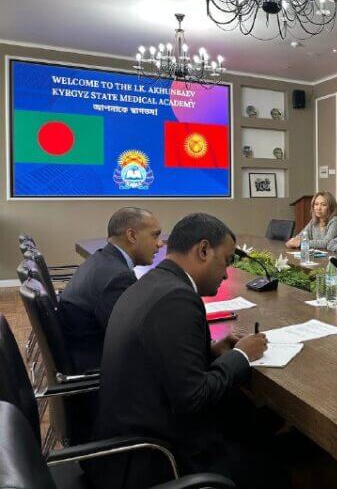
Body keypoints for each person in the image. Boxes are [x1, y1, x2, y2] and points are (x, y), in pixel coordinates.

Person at [91, 213, 274, 488]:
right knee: (272, 466)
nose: (226, 274)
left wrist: (212, 352)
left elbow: (163, 361)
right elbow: (194, 398)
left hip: (128, 441)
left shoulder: (154, 283)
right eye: (225, 261)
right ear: (203, 250)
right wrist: (242, 356)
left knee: (255, 422)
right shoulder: (177, 299)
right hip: (157, 460)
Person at [58, 207, 163, 372]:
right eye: (155, 235)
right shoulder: (118, 278)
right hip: (96, 367)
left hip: (80, 351)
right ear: (132, 236)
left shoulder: (100, 259)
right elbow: (133, 340)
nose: (160, 243)